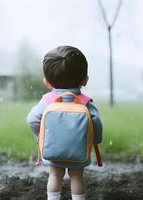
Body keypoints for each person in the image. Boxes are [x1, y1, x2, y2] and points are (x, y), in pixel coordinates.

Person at [27, 46, 102, 200]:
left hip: (53, 150)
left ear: (46, 82)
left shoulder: (47, 102)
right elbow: (96, 122)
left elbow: (32, 119)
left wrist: (39, 135)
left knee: (54, 176)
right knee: (77, 177)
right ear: (85, 80)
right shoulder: (85, 103)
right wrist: (96, 139)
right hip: (79, 151)